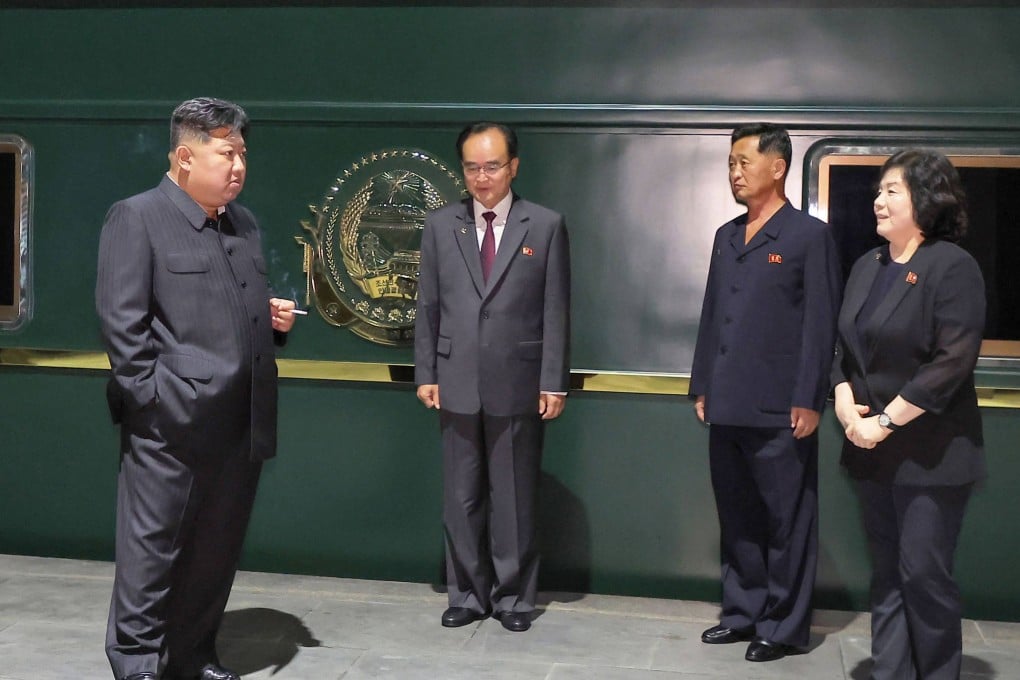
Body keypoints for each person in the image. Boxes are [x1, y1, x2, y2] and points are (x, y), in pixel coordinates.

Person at [96, 97, 298, 680]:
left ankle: (193, 657)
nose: (238, 165)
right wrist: (154, 404)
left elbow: (222, 310)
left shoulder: (244, 223)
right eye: (225, 153)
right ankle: (137, 664)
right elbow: (122, 324)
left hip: (241, 424)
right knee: (151, 556)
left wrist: (269, 317)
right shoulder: (136, 218)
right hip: (170, 427)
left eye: (242, 153)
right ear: (185, 156)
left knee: (214, 556)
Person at [689, 123, 842, 662]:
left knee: (787, 522)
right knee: (738, 516)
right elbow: (713, 316)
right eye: (730, 162)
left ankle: (782, 626)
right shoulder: (727, 236)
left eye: (744, 161)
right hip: (726, 402)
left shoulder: (807, 236)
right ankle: (742, 613)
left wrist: (810, 398)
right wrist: (701, 385)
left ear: (777, 167)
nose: (734, 172)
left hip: (783, 408)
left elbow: (820, 326)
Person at [831, 149, 985, 680]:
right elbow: (842, 350)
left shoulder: (952, 266)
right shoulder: (865, 266)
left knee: (924, 575)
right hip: (870, 450)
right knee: (889, 575)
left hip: (932, 455)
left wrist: (885, 421)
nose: (878, 200)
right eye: (879, 190)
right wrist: (842, 398)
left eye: (892, 190)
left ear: (927, 197)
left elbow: (952, 362)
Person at [414, 122, 571, 633]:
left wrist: (553, 381)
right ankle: (466, 593)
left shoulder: (544, 225)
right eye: (472, 168)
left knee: (513, 498)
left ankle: (513, 599)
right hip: (455, 378)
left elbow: (556, 311)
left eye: (492, 166)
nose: (482, 178)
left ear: (514, 167)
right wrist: (426, 371)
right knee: (460, 498)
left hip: (520, 381)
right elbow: (429, 306)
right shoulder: (441, 225)